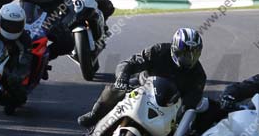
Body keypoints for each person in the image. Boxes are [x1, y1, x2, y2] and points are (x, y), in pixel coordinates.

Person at [77, 27, 206, 128]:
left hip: (168, 105)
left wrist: (181, 114)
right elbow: (130, 63)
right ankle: (95, 114)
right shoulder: (159, 50)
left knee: (178, 130)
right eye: (183, 53)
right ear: (174, 48)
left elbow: (190, 103)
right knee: (115, 90)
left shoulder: (199, 76)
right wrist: (122, 77)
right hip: (142, 86)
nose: (188, 59)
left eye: (192, 54)